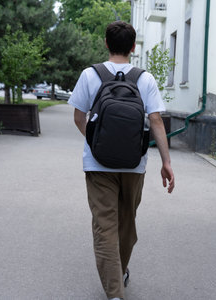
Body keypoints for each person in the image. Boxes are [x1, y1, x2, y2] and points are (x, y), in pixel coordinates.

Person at [68, 21, 175, 300]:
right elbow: (156, 121)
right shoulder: (145, 79)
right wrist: (166, 163)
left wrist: (95, 142)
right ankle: (120, 270)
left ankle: (114, 293)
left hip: (98, 165)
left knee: (105, 227)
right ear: (133, 47)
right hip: (133, 163)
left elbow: (79, 118)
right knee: (127, 224)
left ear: (106, 43)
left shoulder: (90, 75)